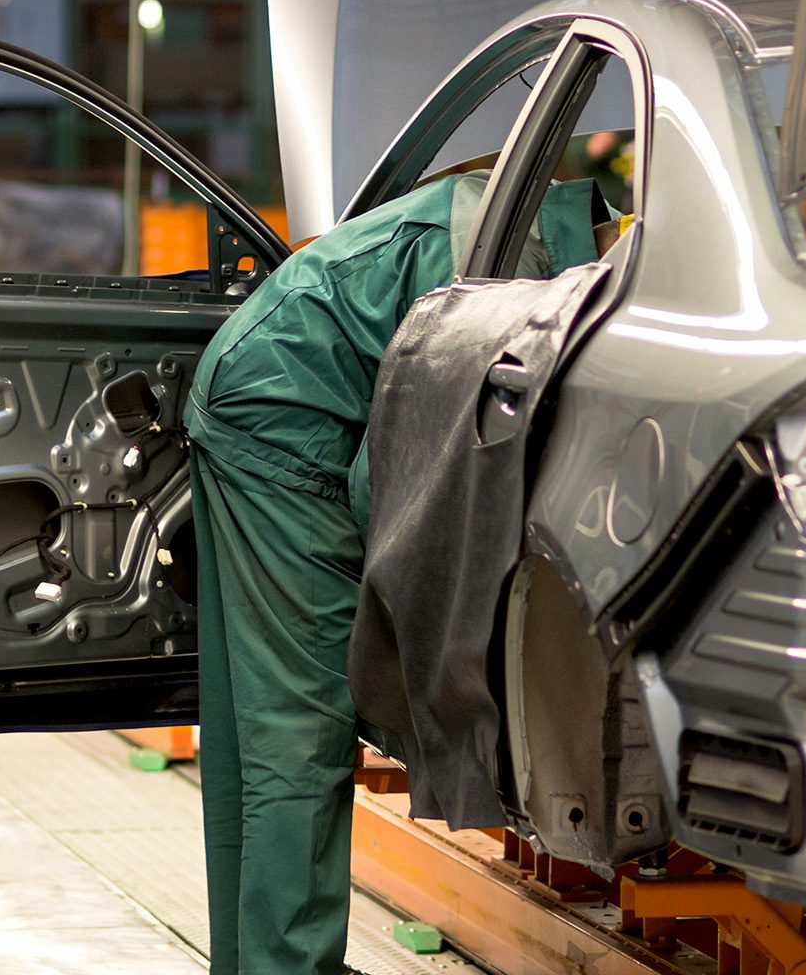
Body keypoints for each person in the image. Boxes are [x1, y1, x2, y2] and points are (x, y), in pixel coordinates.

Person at [185, 169, 619, 975]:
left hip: (255, 385)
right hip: (283, 424)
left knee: (253, 735)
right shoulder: (519, 279)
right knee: (299, 732)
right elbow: (395, 475)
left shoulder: (536, 220)